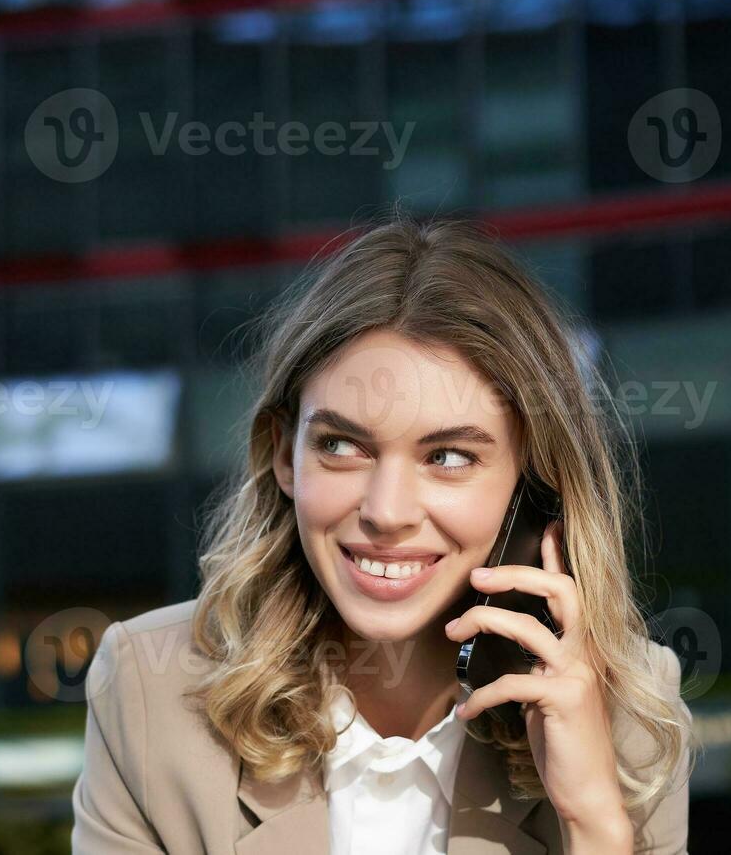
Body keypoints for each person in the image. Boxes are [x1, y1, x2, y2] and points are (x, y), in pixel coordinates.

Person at [72, 216, 693, 854]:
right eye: (342, 446)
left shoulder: (627, 717)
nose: (387, 512)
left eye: (449, 456)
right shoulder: (148, 688)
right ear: (285, 455)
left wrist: (594, 822)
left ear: (534, 483)